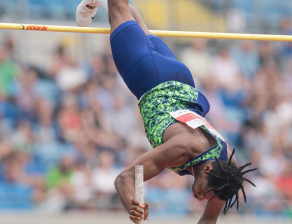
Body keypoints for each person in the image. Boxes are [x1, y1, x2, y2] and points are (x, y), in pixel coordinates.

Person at [76, 1, 257, 223]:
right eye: (205, 193)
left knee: (135, 25)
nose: (200, 197)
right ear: (208, 169)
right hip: (148, 78)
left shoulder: (226, 177)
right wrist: (133, 205)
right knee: (119, 8)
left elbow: (208, 221)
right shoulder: (182, 150)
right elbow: (125, 178)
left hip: (181, 80)